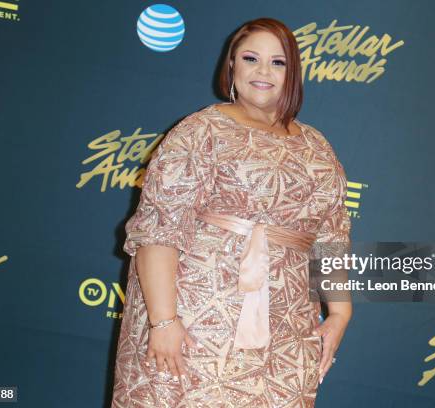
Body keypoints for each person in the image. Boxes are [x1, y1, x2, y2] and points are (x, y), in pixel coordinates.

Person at [111, 17, 352, 408]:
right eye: (251, 58)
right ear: (232, 66)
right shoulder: (200, 130)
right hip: (198, 321)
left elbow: (332, 235)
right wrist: (163, 321)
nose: (263, 71)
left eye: (278, 62)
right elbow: (159, 228)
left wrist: (340, 313)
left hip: (287, 331)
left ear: (293, 73)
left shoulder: (318, 147)